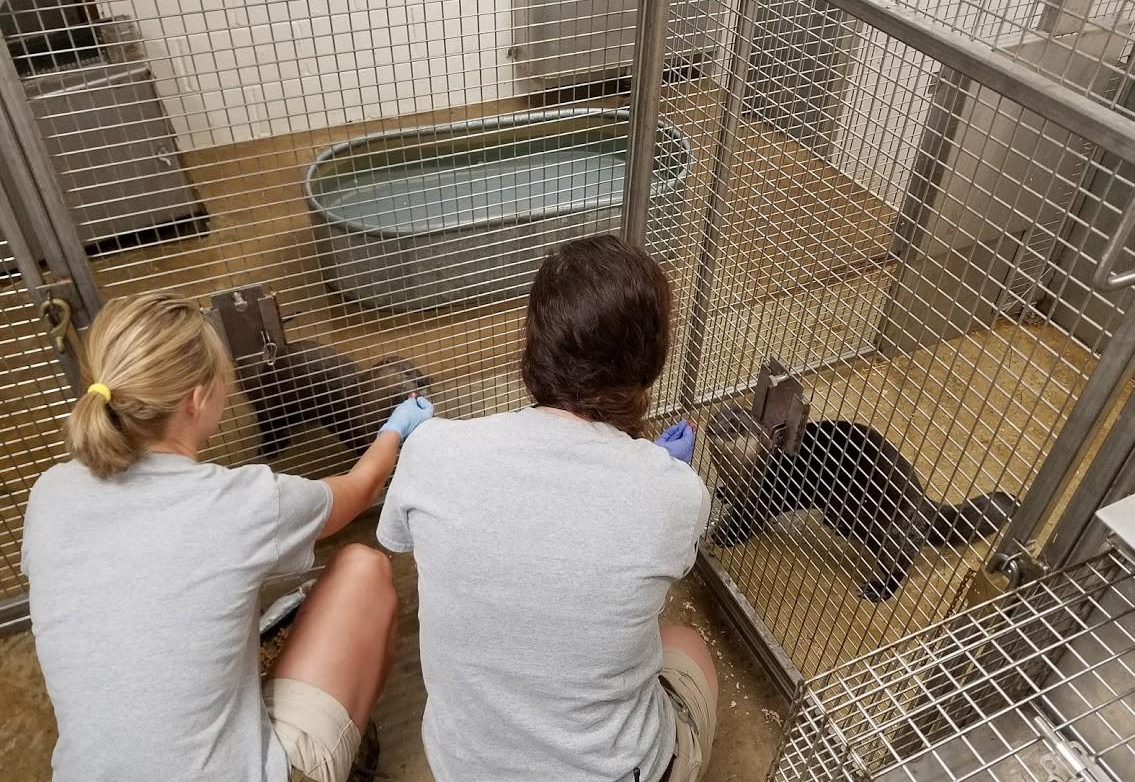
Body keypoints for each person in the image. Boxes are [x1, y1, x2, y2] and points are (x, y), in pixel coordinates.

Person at [21, 291, 434, 782]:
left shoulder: (49, 493)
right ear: (197, 399)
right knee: (362, 568)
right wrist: (397, 426)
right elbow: (361, 487)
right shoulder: (240, 502)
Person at [377, 235, 718, 782]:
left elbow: (395, 540)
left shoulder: (434, 447)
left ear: (534, 343)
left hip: (461, 767)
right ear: (650, 361)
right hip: (611, 770)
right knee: (684, 643)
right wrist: (654, 472)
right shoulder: (676, 493)